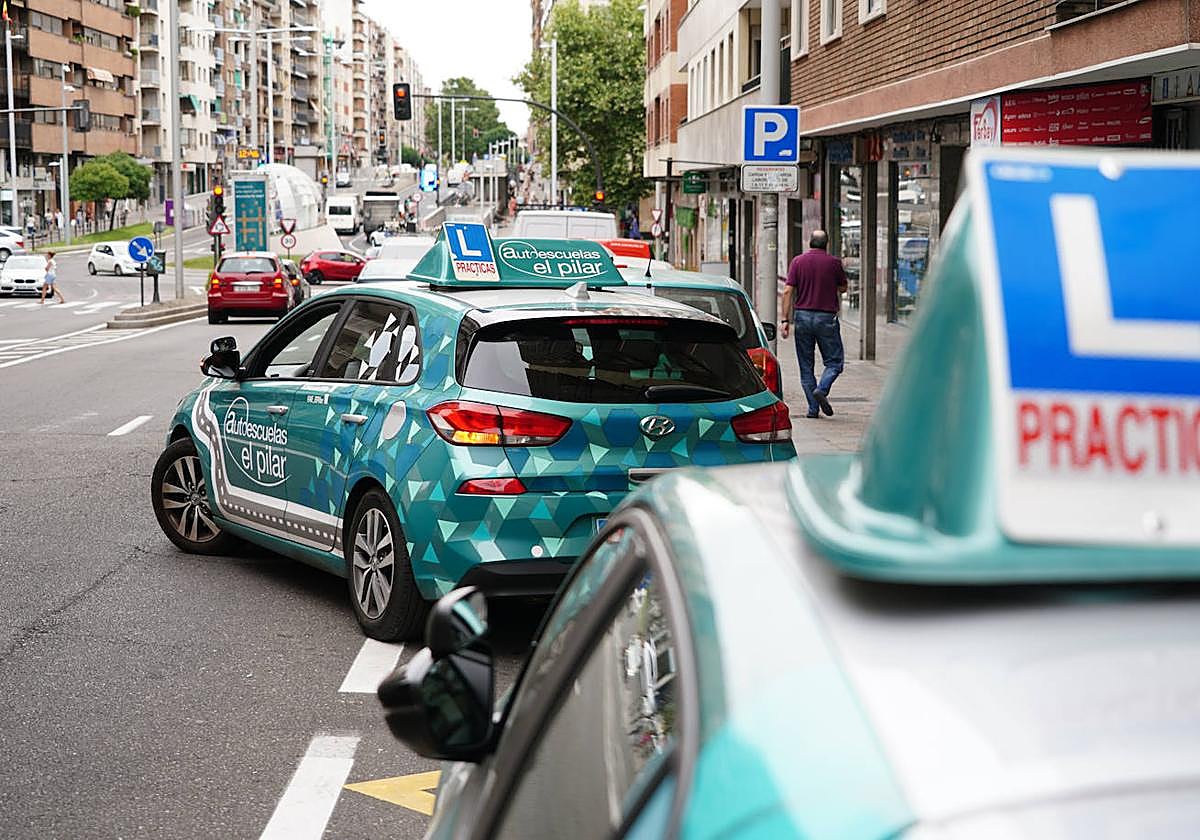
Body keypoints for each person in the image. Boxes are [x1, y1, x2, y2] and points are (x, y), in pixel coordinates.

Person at [780, 230, 847, 418]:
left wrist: (785, 320)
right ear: (827, 243)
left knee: (806, 365)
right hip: (826, 318)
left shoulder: (798, 262)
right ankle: (822, 389)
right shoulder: (834, 263)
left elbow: (787, 292)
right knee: (834, 362)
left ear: (810, 243)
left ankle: (812, 408)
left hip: (802, 317)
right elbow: (843, 288)